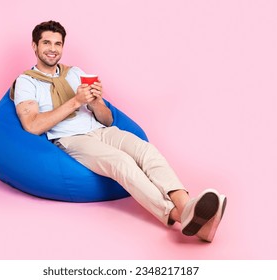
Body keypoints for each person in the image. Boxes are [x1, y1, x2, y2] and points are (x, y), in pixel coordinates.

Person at [11, 20, 227, 242]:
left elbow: (107, 119)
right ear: (34, 46)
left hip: (100, 130)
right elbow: (32, 126)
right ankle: (179, 216)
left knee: (146, 150)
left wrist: (96, 102)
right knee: (120, 162)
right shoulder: (27, 82)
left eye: (58, 43)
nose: (53, 49)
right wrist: (76, 101)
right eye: (46, 42)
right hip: (70, 139)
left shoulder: (75, 73)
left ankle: (187, 205)